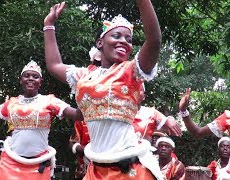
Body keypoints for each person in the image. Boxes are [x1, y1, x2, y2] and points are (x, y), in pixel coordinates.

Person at [44, 0, 162, 178]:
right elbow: (54, 65)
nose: (124, 41)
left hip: (128, 168)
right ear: (100, 43)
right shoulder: (84, 75)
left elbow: (154, 40)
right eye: (117, 36)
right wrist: (49, 25)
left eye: (129, 40)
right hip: (95, 169)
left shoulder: (132, 71)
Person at [0, 61, 83, 179]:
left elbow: (77, 115)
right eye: (26, 76)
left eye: (35, 76)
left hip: (39, 163)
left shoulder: (50, 101)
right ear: (20, 80)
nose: (30, 78)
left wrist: (85, 91)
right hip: (11, 163)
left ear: (40, 82)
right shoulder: (12, 103)